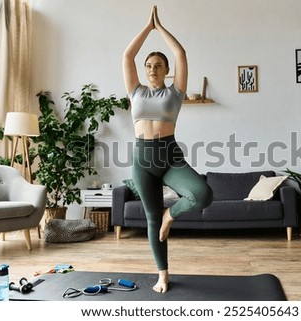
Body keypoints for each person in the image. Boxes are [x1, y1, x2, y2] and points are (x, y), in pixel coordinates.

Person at [122, 6, 213, 293]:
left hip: (170, 157)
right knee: (150, 218)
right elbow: (127, 56)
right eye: (149, 66)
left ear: (166, 71)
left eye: (158, 65)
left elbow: (181, 54)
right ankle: (163, 275)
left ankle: (169, 216)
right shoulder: (135, 91)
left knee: (203, 194)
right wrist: (145, 28)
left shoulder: (175, 93)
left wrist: (159, 28)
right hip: (142, 159)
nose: (152, 69)